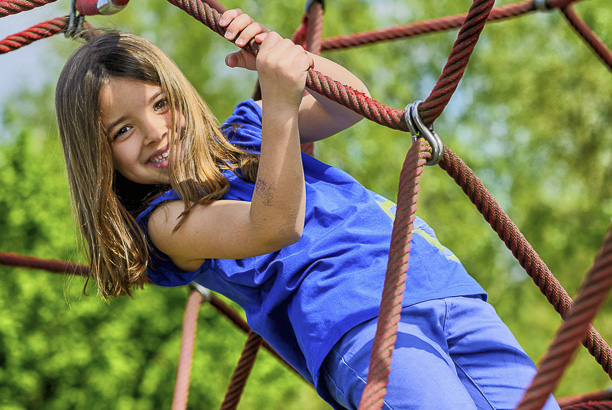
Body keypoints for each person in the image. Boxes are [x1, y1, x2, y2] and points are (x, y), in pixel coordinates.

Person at [54, 9, 559, 410]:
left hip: (444, 289)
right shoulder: (166, 221)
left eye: (160, 103)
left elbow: (349, 101)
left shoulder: (246, 134)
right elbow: (274, 225)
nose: (154, 131)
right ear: (99, 158)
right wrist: (278, 105)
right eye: (122, 130)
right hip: (359, 326)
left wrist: (286, 59)